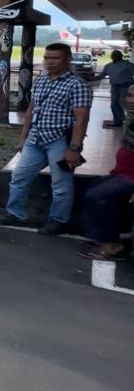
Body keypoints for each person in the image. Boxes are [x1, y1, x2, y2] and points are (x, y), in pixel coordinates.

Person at [0, 43, 93, 235]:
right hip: (35, 139)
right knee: (19, 176)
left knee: (61, 184)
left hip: (60, 140)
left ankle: (57, 220)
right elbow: (31, 109)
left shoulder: (77, 85)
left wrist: (74, 148)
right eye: (47, 58)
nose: (50, 62)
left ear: (68, 60)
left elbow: (82, 119)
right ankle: (14, 213)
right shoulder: (42, 79)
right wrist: (23, 136)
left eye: (55, 58)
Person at [79, 84, 134, 261]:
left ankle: (112, 246)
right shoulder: (130, 119)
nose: (131, 101)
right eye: (130, 95)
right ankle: (104, 236)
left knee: (98, 195)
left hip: (130, 176)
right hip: (122, 172)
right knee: (90, 187)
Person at [90, 50, 133, 127]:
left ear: (120, 56)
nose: (114, 57)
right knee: (114, 105)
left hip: (125, 87)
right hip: (114, 87)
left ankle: (130, 122)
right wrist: (89, 79)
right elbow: (101, 76)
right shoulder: (108, 66)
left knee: (123, 104)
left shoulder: (128, 65)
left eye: (116, 55)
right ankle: (118, 121)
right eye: (113, 55)